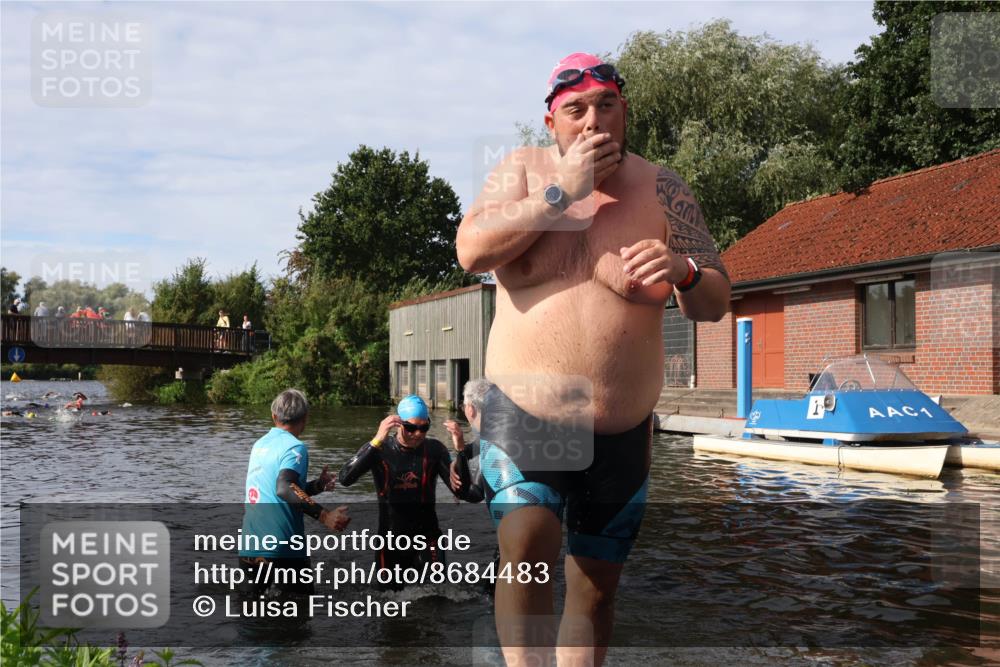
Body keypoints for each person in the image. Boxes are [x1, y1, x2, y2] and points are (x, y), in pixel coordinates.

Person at [455, 52, 730, 665]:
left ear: (624, 113)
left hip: (622, 429)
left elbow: (714, 300)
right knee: (527, 542)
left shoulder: (663, 186)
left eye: (607, 105)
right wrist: (562, 193)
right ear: (552, 122)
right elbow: (470, 250)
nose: (593, 120)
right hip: (526, 409)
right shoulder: (523, 171)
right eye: (575, 110)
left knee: (596, 588)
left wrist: (684, 271)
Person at [338, 395, 456, 590]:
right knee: (388, 604)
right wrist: (376, 440)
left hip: (428, 538)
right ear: (397, 424)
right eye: (411, 427)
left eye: (423, 427)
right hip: (390, 541)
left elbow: (463, 490)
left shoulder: (435, 450)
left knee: (437, 600)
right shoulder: (380, 450)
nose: (418, 434)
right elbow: (345, 478)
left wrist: (461, 451)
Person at [240, 389, 350, 596]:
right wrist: (325, 516)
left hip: (250, 549)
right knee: (299, 616)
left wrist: (316, 486)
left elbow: (281, 489)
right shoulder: (295, 447)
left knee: (249, 616)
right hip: (284, 550)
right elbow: (284, 488)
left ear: (274, 416)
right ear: (305, 418)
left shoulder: (259, 445)